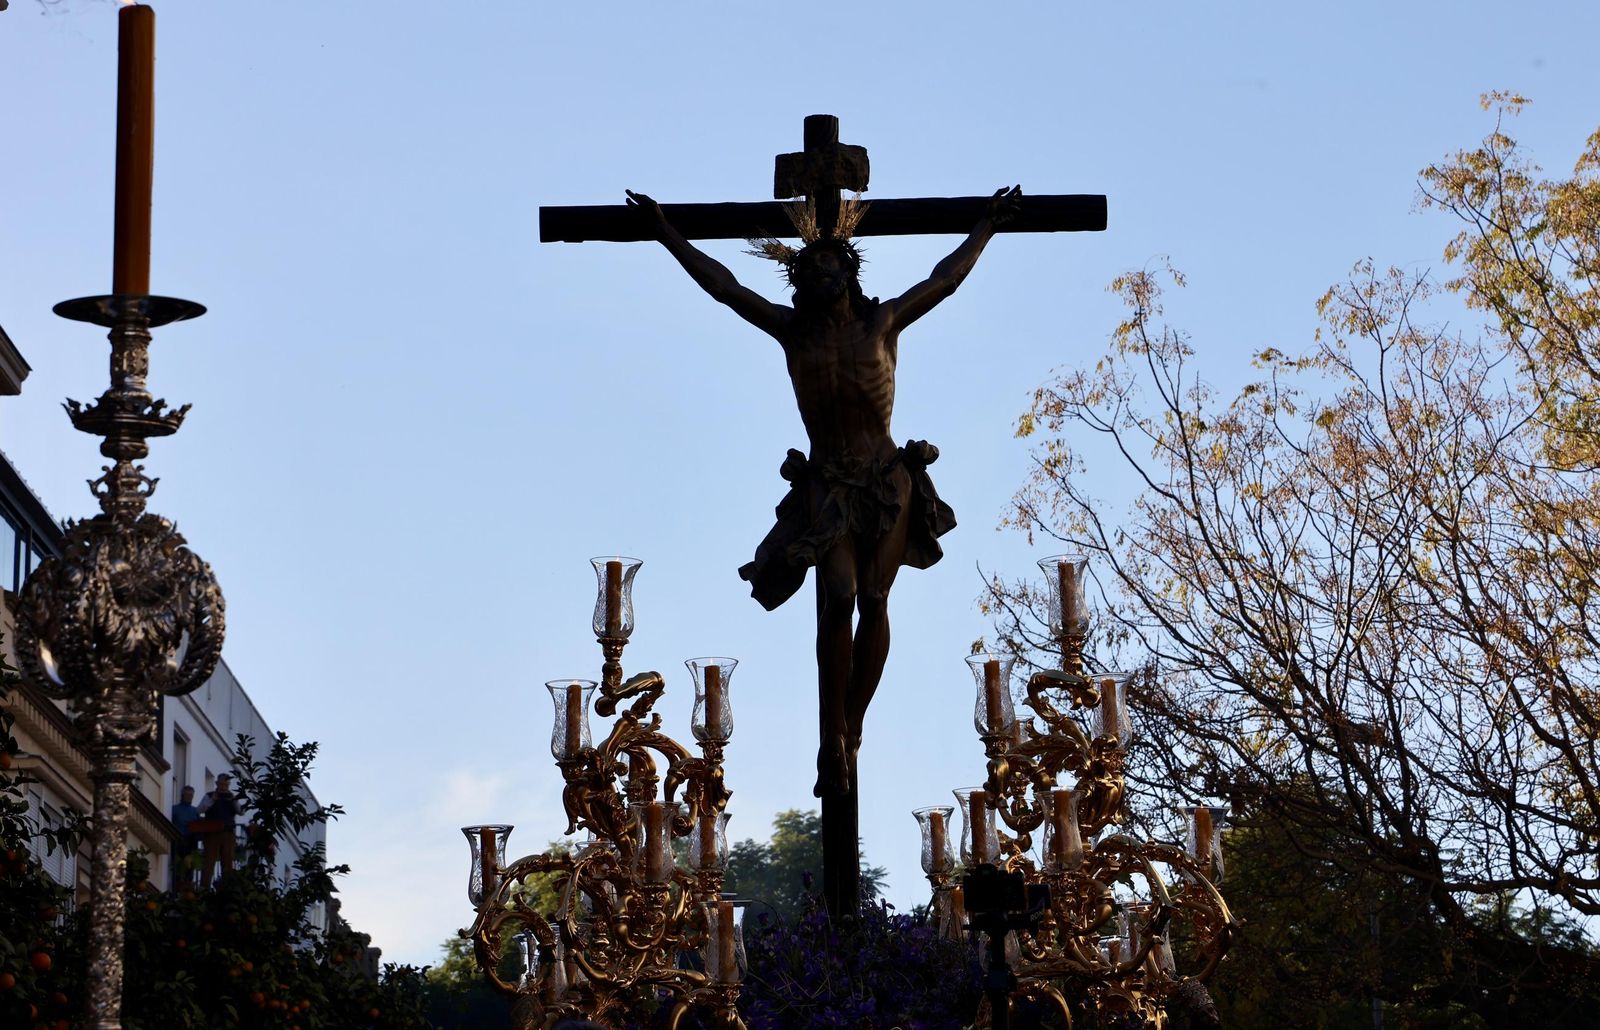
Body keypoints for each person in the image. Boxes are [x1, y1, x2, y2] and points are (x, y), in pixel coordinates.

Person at [625, 186, 1018, 799]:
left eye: (827, 264)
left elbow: (944, 282)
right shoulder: (793, 333)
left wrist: (986, 228)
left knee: (876, 598)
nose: (817, 272)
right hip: (828, 484)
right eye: (806, 268)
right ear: (798, 280)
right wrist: (666, 233)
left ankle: (850, 728)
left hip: (886, 479)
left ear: (848, 269)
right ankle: (831, 732)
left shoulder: (881, 322)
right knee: (839, 594)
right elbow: (725, 287)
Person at [197, 772, 238, 887]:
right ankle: (204, 887)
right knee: (209, 861)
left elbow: (241, 811)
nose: (224, 787)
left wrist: (233, 800)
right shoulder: (209, 795)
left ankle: (227, 887)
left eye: (226, 785)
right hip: (212, 833)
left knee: (228, 861)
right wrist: (212, 800)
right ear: (217, 783)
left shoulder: (231, 797)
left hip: (228, 833)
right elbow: (199, 810)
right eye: (221, 784)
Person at [170, 785, 200, 885]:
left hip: (191, 844)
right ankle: (176, 886)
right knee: (177, 867)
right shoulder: (174, 809)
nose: (189, 797)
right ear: (182, 795)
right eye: (187, 795)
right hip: (177, 842)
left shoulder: (195, 811)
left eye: (191, 795)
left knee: (189, 867)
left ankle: (188, 887)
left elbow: (199, 827)